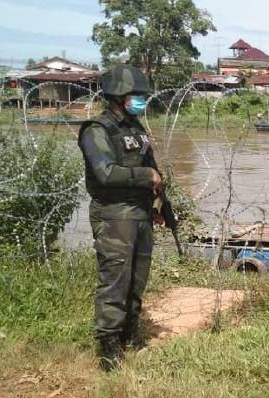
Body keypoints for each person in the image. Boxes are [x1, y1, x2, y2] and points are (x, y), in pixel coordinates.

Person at [78, 64, 164, 371]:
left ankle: (129, 332)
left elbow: (154, 170)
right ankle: (109, 345)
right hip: (114, 215)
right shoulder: (97, 131)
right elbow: (106, 173)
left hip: (139, 214)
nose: (140, 100)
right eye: (135, 95)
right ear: (118, 97)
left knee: (137, 279)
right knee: (115, 280)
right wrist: (146, 175)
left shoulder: (135, 128)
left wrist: (157, 206)